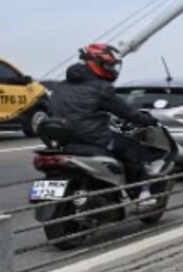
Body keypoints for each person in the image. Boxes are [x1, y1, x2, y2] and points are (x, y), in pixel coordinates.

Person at [49, 43, 160, 203]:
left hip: (63, 140)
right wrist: (149, 120)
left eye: (112, 66)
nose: (111, 69)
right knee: (133, 150)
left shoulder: (60, 86)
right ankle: (142, 195)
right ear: (95, 63)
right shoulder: (100, 87)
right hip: (92, 138)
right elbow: (126, 112)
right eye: (108, 65)